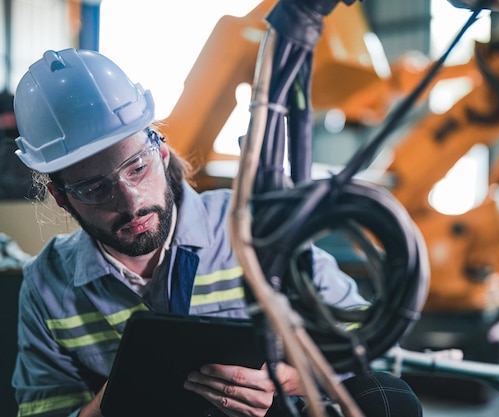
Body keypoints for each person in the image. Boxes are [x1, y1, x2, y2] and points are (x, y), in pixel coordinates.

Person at [11, 48, 422, 417]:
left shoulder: (252, 230)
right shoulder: (49, 284)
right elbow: (42, 409)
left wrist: (287, 379)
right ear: (62, 198)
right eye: (95, 189)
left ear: (162, 152)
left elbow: (361, 336)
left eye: (138, 167)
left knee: (389, 400)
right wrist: (110, 404)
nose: (131, 201)